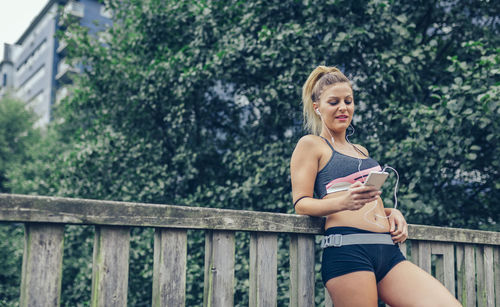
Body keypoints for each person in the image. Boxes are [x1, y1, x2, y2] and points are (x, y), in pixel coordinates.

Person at [290, 66, 461, 306]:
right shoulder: (311, 144)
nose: (343, 107)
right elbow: (301, 203)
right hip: (349, 251)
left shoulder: (362, 151)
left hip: (387, 252)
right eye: (334, 102)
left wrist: (391, 212)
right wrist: (343, 202)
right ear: (317, 107)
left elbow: (369, 200)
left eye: (348, 101)